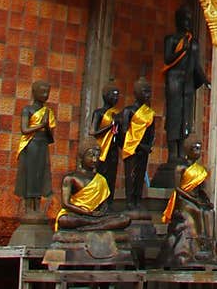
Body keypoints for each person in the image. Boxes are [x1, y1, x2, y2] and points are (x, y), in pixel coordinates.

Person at [162, 5, 209, 164]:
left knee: (185, 117)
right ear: (178, 21)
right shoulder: (171, 39)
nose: (187, 22)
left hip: (187, 84)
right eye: (184, 19)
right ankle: (172, 152)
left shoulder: (193, 43)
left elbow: (196, 65)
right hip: (174, 81)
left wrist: (205, 80)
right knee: (174, 116)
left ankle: (182, 150)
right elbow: (168, 59)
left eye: (189, 19)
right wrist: (181, 49)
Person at [160, 138, 214, 268]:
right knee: (195, 211)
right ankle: (192, 242)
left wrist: (205, 200)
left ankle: (207, 243)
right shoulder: (180, 168)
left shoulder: (201, 169)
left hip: (196, 199)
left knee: (208, 212)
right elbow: (178, 188)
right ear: (187, 150)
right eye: (195, 148)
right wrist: (192, 199)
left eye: (199, 148)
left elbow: (201, 189)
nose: (198, 151)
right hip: (183, 200)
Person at [55, 143, 131, 231]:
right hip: (76, 214)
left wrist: (101, 212)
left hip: (95, 216)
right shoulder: (70, 178)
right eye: (91, 156)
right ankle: (95, 224)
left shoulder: (101, 179)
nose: (95, 160)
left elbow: (104, 205)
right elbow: (65, 204)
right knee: (64, 220)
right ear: (81, 157)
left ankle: (92, 227)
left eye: (97, 156)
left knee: (125, 219)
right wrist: (87, 213)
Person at [14, 80, 55, 214]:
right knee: (30, 175)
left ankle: (37, 207)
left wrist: (47, 127)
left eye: (47, 92)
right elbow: (24, 129)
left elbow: (50, 137)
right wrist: (41, 125)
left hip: (43, 145)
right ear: (34, 92)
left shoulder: (48, 111)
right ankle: (28, 208)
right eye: (42, 92)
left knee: (40, 175)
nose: (45, 95)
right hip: (31, 144)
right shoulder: (28, 109)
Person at [119, 78, 155, 208]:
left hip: (144, 149)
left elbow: (152, 132)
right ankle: (129, 200)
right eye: (145, 92)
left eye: (149, 92)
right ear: (136, 92)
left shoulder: (149, 113)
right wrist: (134, 144)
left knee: (140, 175)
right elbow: (124, 130)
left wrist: (149, 145)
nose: (148, 95)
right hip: (131, 148)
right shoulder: (129, 111)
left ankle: (138, 200)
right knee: (131, 175)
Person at [89, 82, 122, 201]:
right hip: (101, 149)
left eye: (117, 95)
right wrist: (109, 126)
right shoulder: (99, 113)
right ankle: (98, 201)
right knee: (100, 176)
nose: (115, 98)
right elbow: (92, 132)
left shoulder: (118, 114)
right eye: (113, 95)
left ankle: (109, 202)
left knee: (111, 177)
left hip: (113, 149)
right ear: (105, 96)